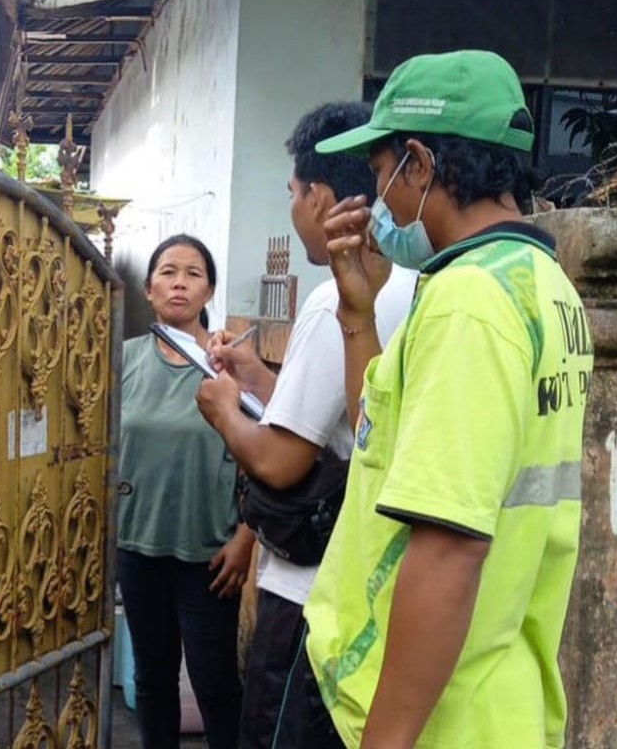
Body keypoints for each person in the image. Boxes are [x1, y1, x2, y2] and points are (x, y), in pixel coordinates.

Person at [302, 50, 593, 748]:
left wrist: (386, 740)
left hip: (440, 718)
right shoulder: (541, 284)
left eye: (381, 173)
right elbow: (382, 439)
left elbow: (449, 548)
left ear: (420, 165)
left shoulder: (470, 303)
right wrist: (358, 313)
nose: (378, 202)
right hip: (496, 694)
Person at [195, 103, 417, 749]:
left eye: (293, 193)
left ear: (318, 196)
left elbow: (281, 459)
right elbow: (354, 420)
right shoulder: (413, 283)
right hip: (374, 589)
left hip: (308, 594)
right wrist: (260, 383)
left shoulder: (335, 302)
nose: (294, 209)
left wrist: (224, 410)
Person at [119, 234, 254, 749]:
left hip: (210, 556)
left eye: (193, 273)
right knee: (153, 680)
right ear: (149, 289)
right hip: (138, 545)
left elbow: (262, 456)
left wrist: (245, 538)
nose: (179, 283)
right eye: (168, 272)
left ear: (209, 290)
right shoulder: (124, 360)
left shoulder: (226, 364)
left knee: (215, 683)